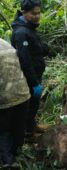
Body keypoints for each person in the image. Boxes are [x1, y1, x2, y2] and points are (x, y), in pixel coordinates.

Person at [11, 0, 49, 137]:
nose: (37, 16)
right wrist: (34, 83)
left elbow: (34, 48)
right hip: (28, 77)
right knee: (27, 105)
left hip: (35, 74)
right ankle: (27, 134)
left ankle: (32, 126)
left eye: (39, 13)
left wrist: (43, 48)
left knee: (33, 104)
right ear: (24, 12)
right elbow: (24, 60)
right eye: (33, 13)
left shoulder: (29, 27)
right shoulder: (21, 33)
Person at [0, 38, 31, 168]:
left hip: (5, 97)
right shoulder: (4, 43)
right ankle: (17, 153)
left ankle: (8, 160)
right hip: (23, 92)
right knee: (18, 126)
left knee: (3, 129)